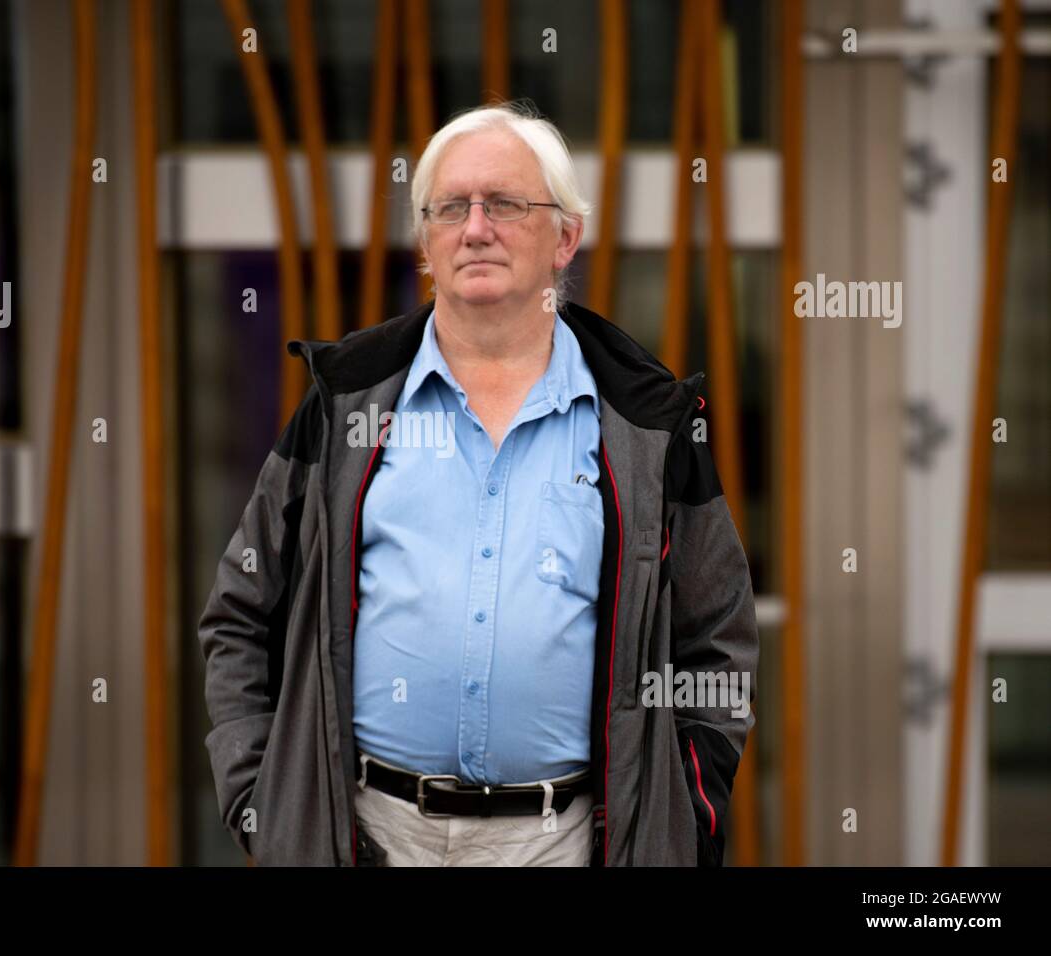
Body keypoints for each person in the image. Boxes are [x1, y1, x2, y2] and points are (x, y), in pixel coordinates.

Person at [197, 100, 758, 866]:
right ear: (427, 242)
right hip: (366, 836)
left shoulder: (647, 423)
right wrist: (264, 803)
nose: (476, 227)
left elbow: (717, 641)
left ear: (566, 237)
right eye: (451, 207)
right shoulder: (347, 405)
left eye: (505, 204)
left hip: (569, 843)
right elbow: (239, 614)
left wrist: (683, 821)